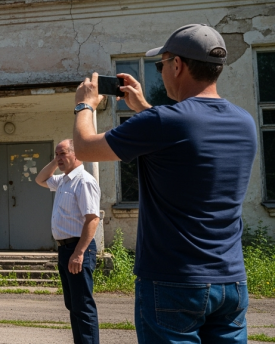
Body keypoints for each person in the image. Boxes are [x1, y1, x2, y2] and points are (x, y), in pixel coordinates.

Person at [72, 24, 255, 343]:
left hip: (173, 281)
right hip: (231, 283)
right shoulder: (244, 122)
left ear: (178, 65)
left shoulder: (161, 123)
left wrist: (84, 104)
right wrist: (144, 108)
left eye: (161, 65)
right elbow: (186, 137)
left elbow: (85, 147)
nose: (161, 72)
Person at [35, 139, 101, 343]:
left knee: (83, 305)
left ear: (76, 154)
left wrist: (79, 253)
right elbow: (40, 179)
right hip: (65, 249)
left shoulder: (84, 181)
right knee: (73, 305)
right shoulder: (64, 180)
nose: (59, 158)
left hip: (78, 248)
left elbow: (93, 219)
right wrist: (56, 161)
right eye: (56, 154)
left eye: (63, 154)